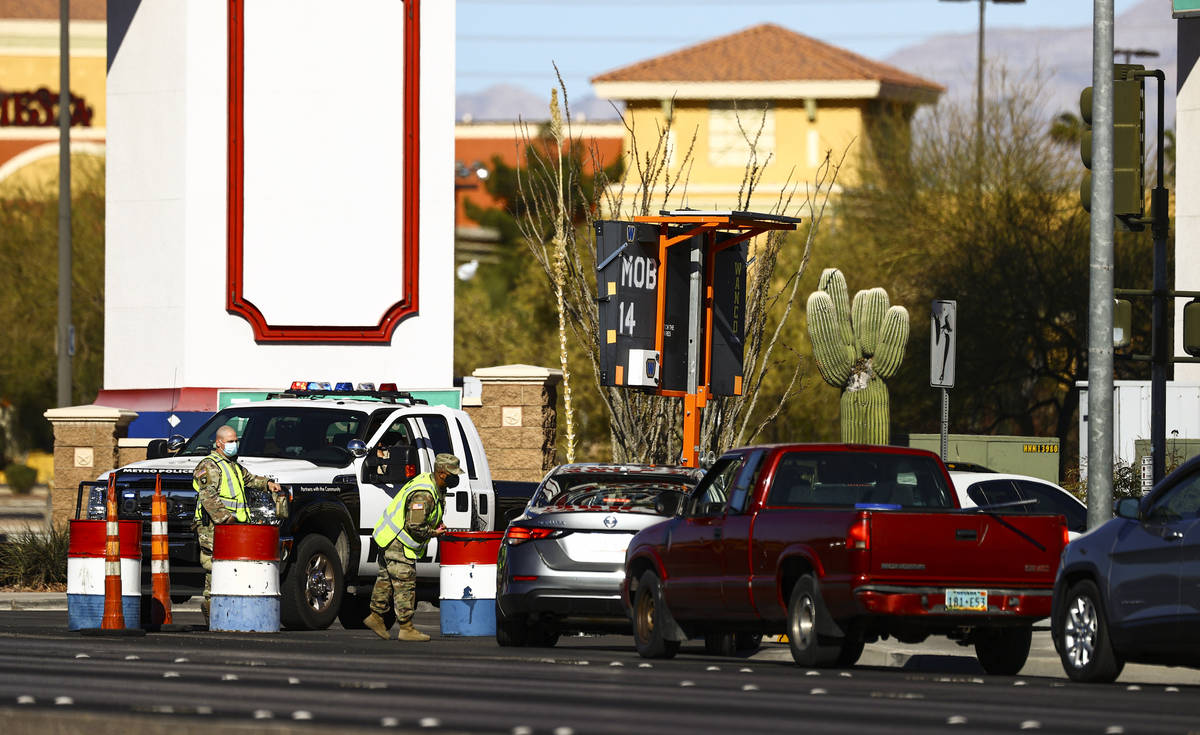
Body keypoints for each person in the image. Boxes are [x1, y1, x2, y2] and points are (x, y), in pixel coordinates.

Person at [191, 424, 287, 624]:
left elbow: (250, 479)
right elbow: (208, 496)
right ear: (219, 443)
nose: (235, 445)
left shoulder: (232, 465)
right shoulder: (209, 466)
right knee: (213, 565)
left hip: (234, 527)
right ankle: (210, 605)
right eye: (231, 441)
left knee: (230, 565)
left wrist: (268, 483)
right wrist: (225, 518)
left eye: (236, 441)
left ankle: (224, 607)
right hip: (215, 525)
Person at [363, 452, 462, 641]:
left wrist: (436, 524)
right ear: (442, 473)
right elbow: (415, 525)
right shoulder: (425, 493)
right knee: (405, 582)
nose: (455, 478)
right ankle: (406, 628)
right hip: (398, 541)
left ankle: (376, 616)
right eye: (453, 474)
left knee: (386, 579)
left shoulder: (432, 484)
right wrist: (434, 533)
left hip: (388, 538)